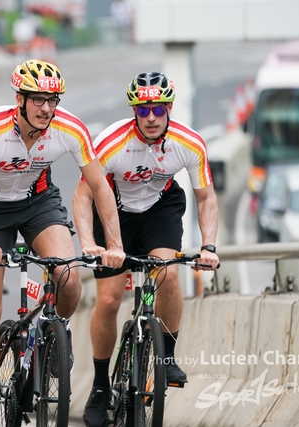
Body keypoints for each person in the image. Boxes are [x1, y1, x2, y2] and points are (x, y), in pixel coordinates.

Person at [0, 59, 125, 427]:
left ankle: (53, 340)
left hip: (38, 203)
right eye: (38, 100)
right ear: (20, 99)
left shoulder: (70, 129)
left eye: (53, 100)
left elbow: (99, 185)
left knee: (69, 278)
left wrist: (114, 243)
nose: (47, 108)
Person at [72, 71, 220, 427]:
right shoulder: (111, 142)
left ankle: (166, 357)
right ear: (133, 112)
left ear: (168, 107)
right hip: (113, 211)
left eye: (157, 108)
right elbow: (83, 195)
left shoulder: (189, 143)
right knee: (108, 300)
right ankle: (101, 385)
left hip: (159, 209)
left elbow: (206, 198)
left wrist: (208, 246)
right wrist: (90, 244)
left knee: (167, 272)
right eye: (142, 111)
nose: (150, 117)